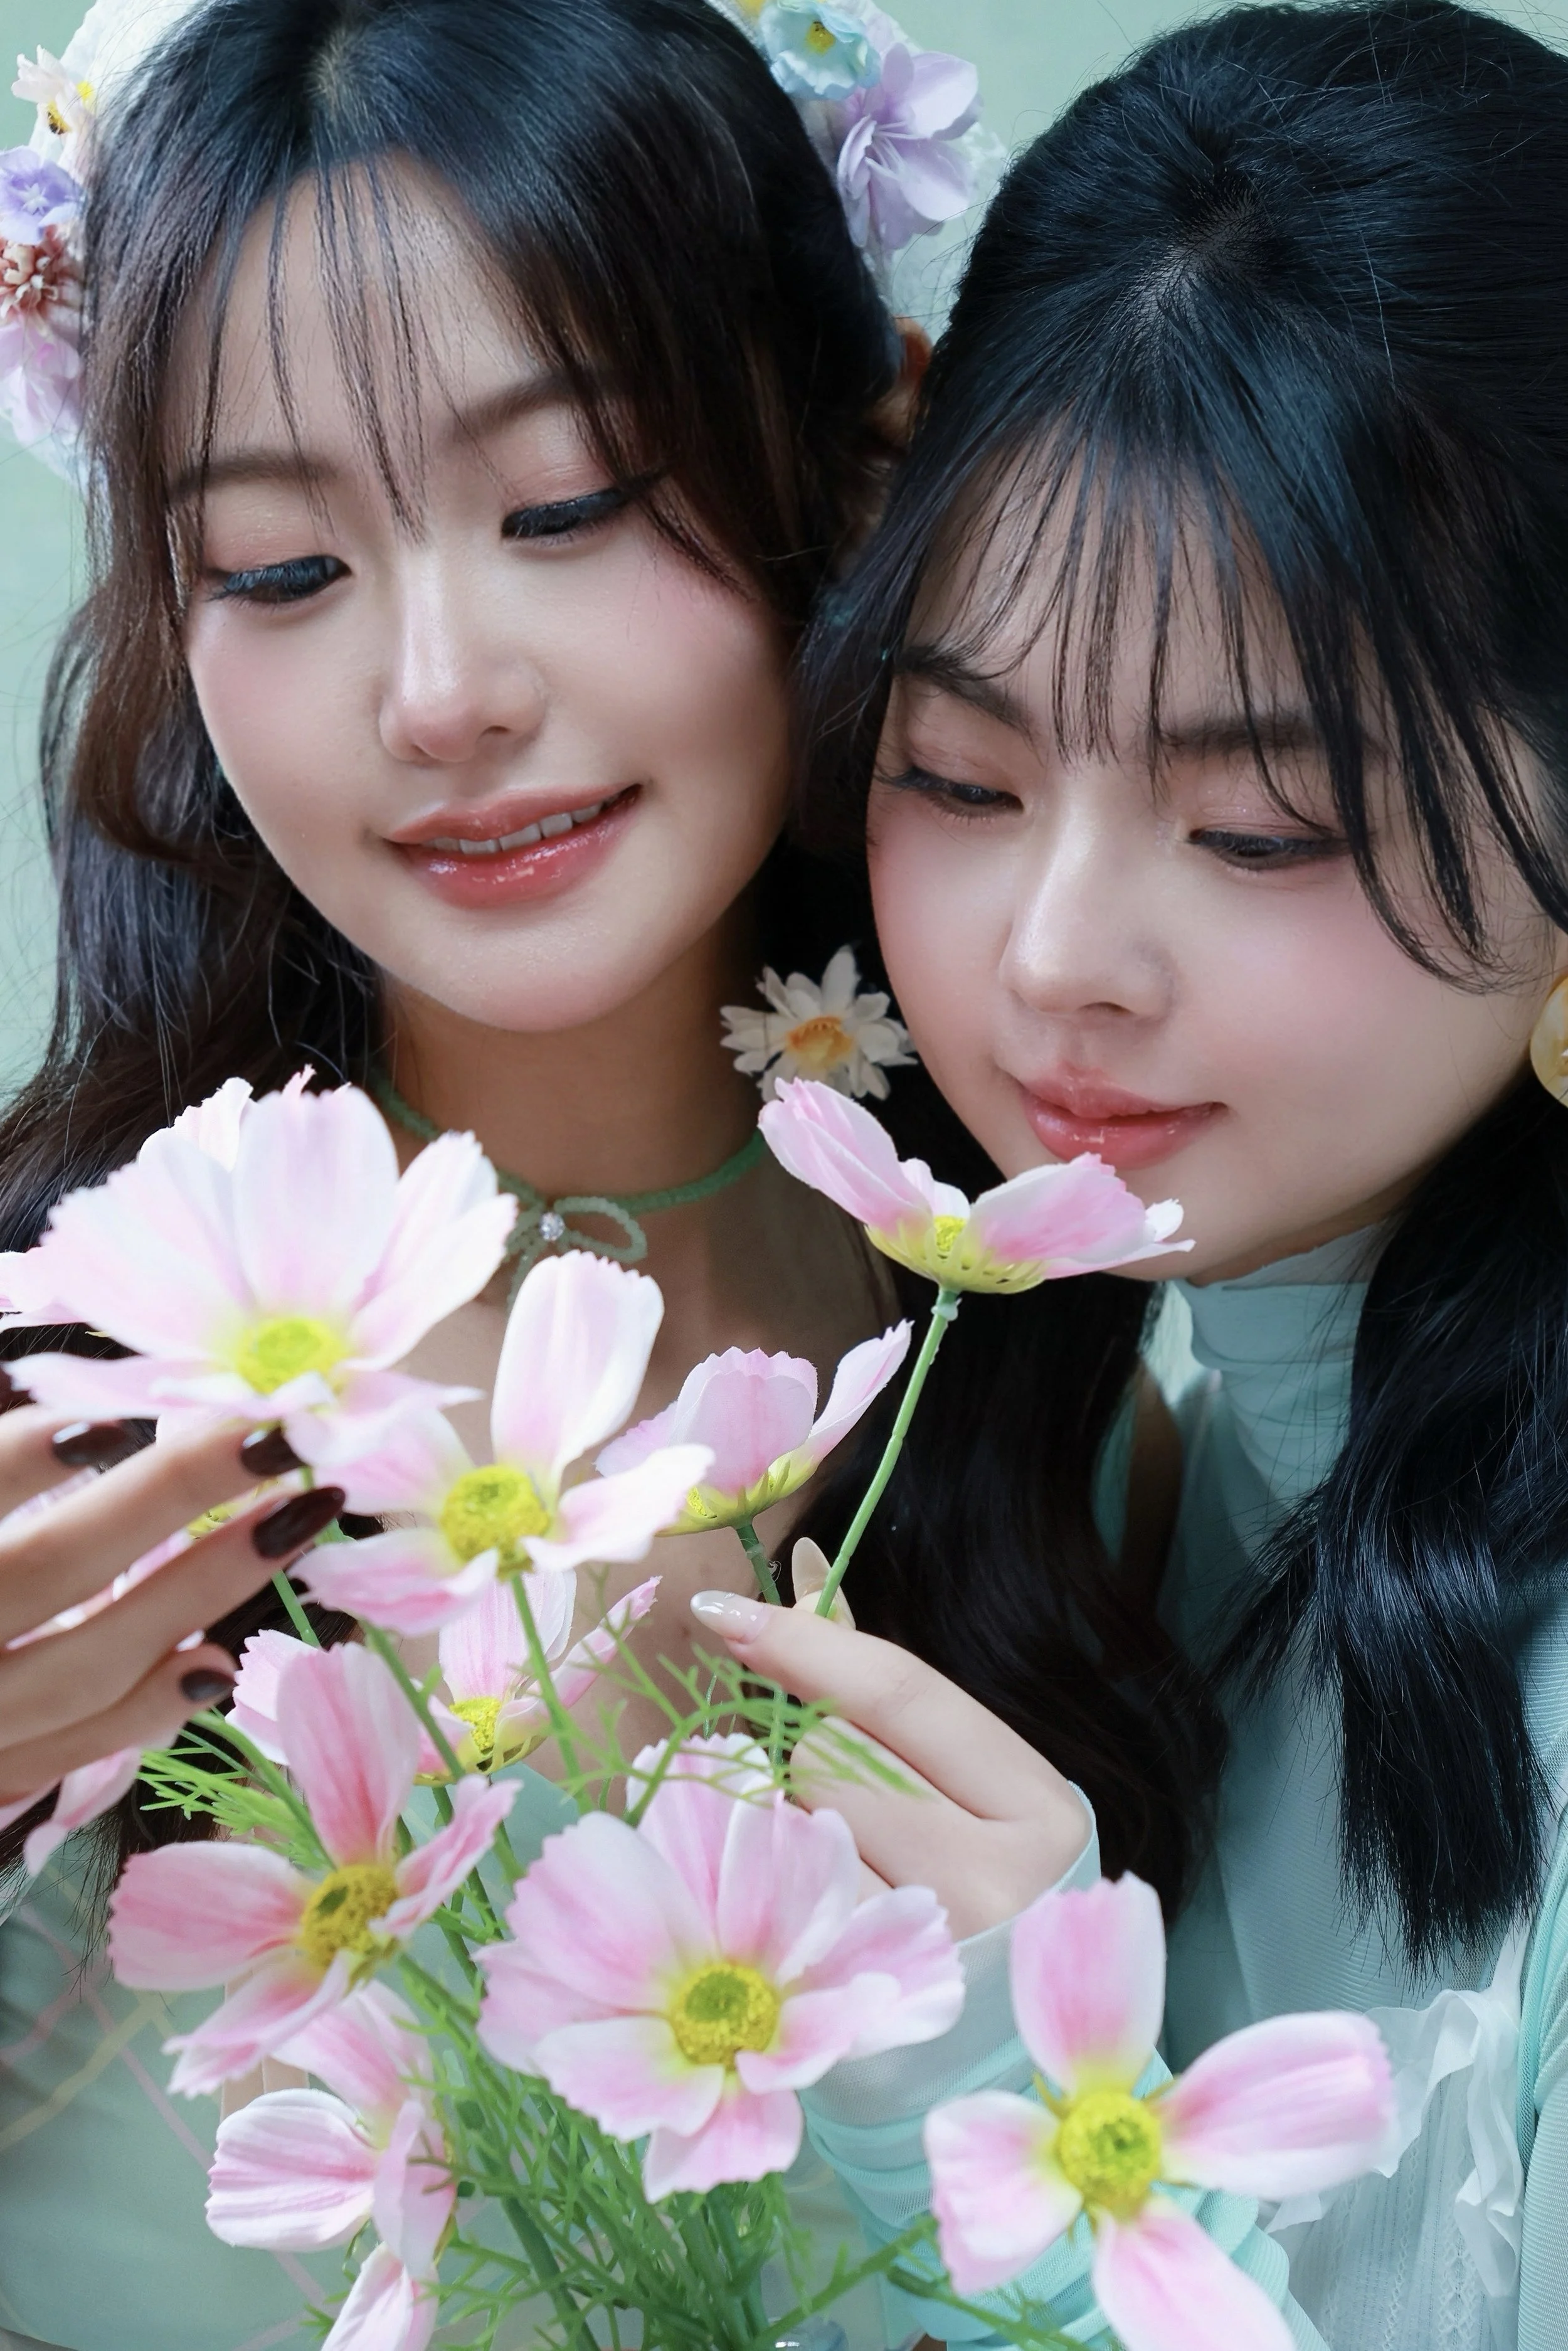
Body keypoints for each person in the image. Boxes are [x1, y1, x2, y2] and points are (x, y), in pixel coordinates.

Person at [0, 0, 981, 2342]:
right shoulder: (73, 1398)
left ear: (860, 463)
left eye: (564, 505)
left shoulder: (1062, 1333)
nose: (438, 688)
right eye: (273, 566)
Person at [686, 6, 1568, 2347]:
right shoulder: (1123, 1453)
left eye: (1259, 823)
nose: (1054, 960)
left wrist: (1016, 2147)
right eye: (957, 776)